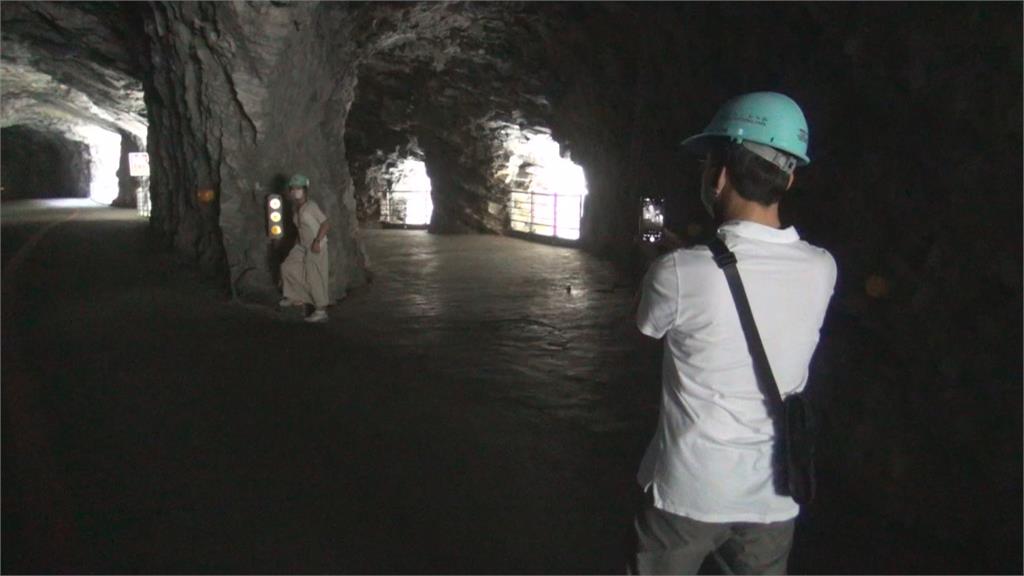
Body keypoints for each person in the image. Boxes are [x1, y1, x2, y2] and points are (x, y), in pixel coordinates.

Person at [632, 92, 837, 575]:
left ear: (719, 176)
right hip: (773, 497)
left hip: (688, 494)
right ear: (789, 177)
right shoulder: (823, 267)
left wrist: (662, 263)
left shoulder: (678, 272)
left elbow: (647, 324)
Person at [279, 173, 331, 323]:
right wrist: (296, 244)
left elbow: (326, 223)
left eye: (298, 188)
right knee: (287, 266)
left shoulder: (311, 206)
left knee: (314, 277)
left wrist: (317, 241)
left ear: (305, 190)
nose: (295, 191)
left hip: (316, 245)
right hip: (302, 245)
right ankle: (295, 296)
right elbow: (300, 228)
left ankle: (321, 311)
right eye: (293, 188)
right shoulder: (296, 207)